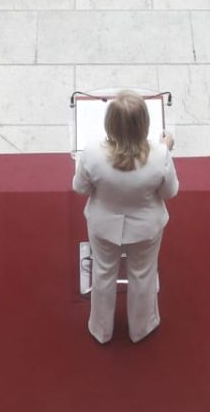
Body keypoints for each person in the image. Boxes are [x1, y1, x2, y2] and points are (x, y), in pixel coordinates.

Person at [74, 90, 179, 345]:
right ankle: (141, 328)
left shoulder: (91, 152)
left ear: (109, 124)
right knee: (142, 274)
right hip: (145, 227)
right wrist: (166, 149)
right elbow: (170, 192)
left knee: (103, 272)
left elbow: (80, 188)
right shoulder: (160, 155)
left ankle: (101, 329)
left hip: (104, 225)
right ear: (144, 124)